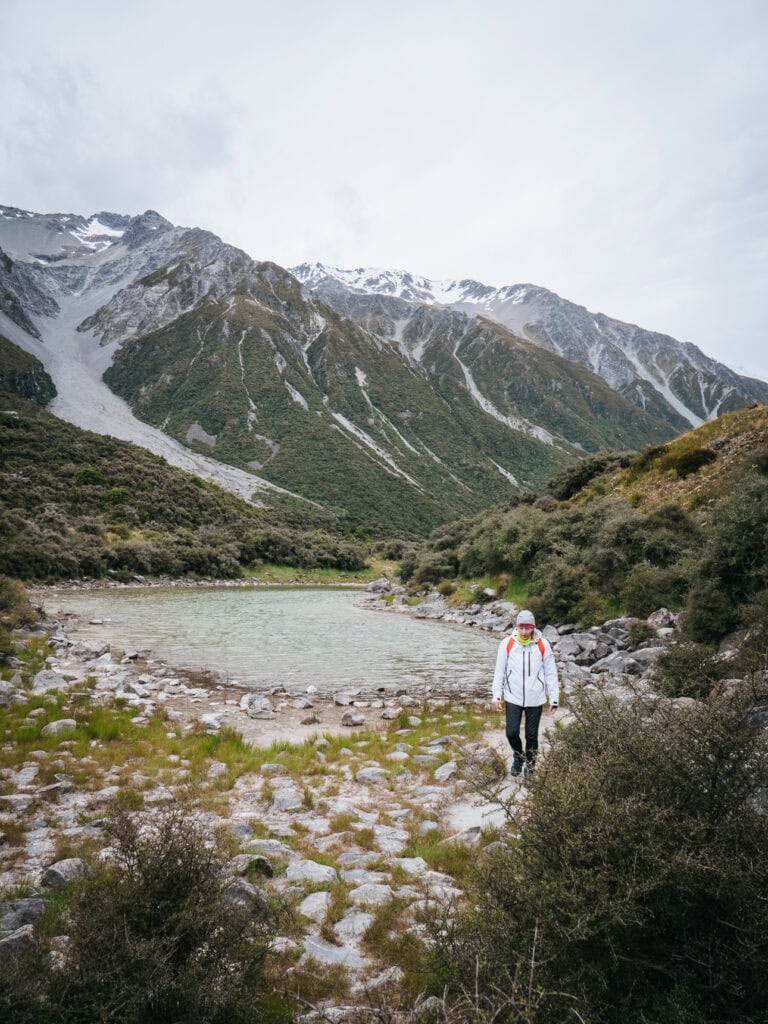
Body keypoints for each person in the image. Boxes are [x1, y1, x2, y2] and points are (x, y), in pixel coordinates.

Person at [491, 609, 559, 776]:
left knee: (531, 735)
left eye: (527, 628)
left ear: (533, 628)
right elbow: (499, 671)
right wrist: (496, 696)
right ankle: (518, 757)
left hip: (535, 698)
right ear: (517, 627)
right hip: (513, 696)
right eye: (521, 628)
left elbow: (551, 672)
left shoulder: (543, 645)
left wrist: (554, 698)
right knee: (511, 732)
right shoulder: (507, 644)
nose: (524, 632)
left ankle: (530, 765)